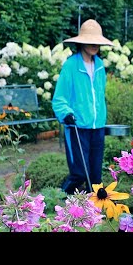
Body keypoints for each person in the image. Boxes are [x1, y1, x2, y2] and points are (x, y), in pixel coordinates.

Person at [52, 19, 114, 194]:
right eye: (90, 41)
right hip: (77, 126)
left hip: (97, 126)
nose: (94, 45)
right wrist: (66, 113)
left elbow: (99, 96)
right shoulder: (71, 65)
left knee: (95, 175)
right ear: (81, 42)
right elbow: (59, 98)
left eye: (97, 41)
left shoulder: (100, 65)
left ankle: (91, 212)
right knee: (79, 173)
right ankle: (58, 200)